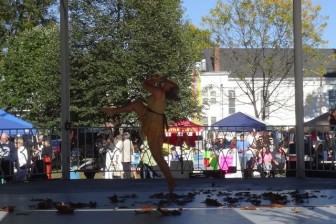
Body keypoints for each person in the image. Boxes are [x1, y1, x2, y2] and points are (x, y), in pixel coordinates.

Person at [101, 75, 179, 193]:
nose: (167, 82)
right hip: (151, 116)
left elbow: (145, 86)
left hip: (153, 122)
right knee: (136, 104)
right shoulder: (160, 92)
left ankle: (170, 181)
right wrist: (156, 80)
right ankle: (114, 111)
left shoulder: (159, 92)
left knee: (157, 156)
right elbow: (154, 84)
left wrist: (153, 80)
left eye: (169, 84)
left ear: (169, 89)